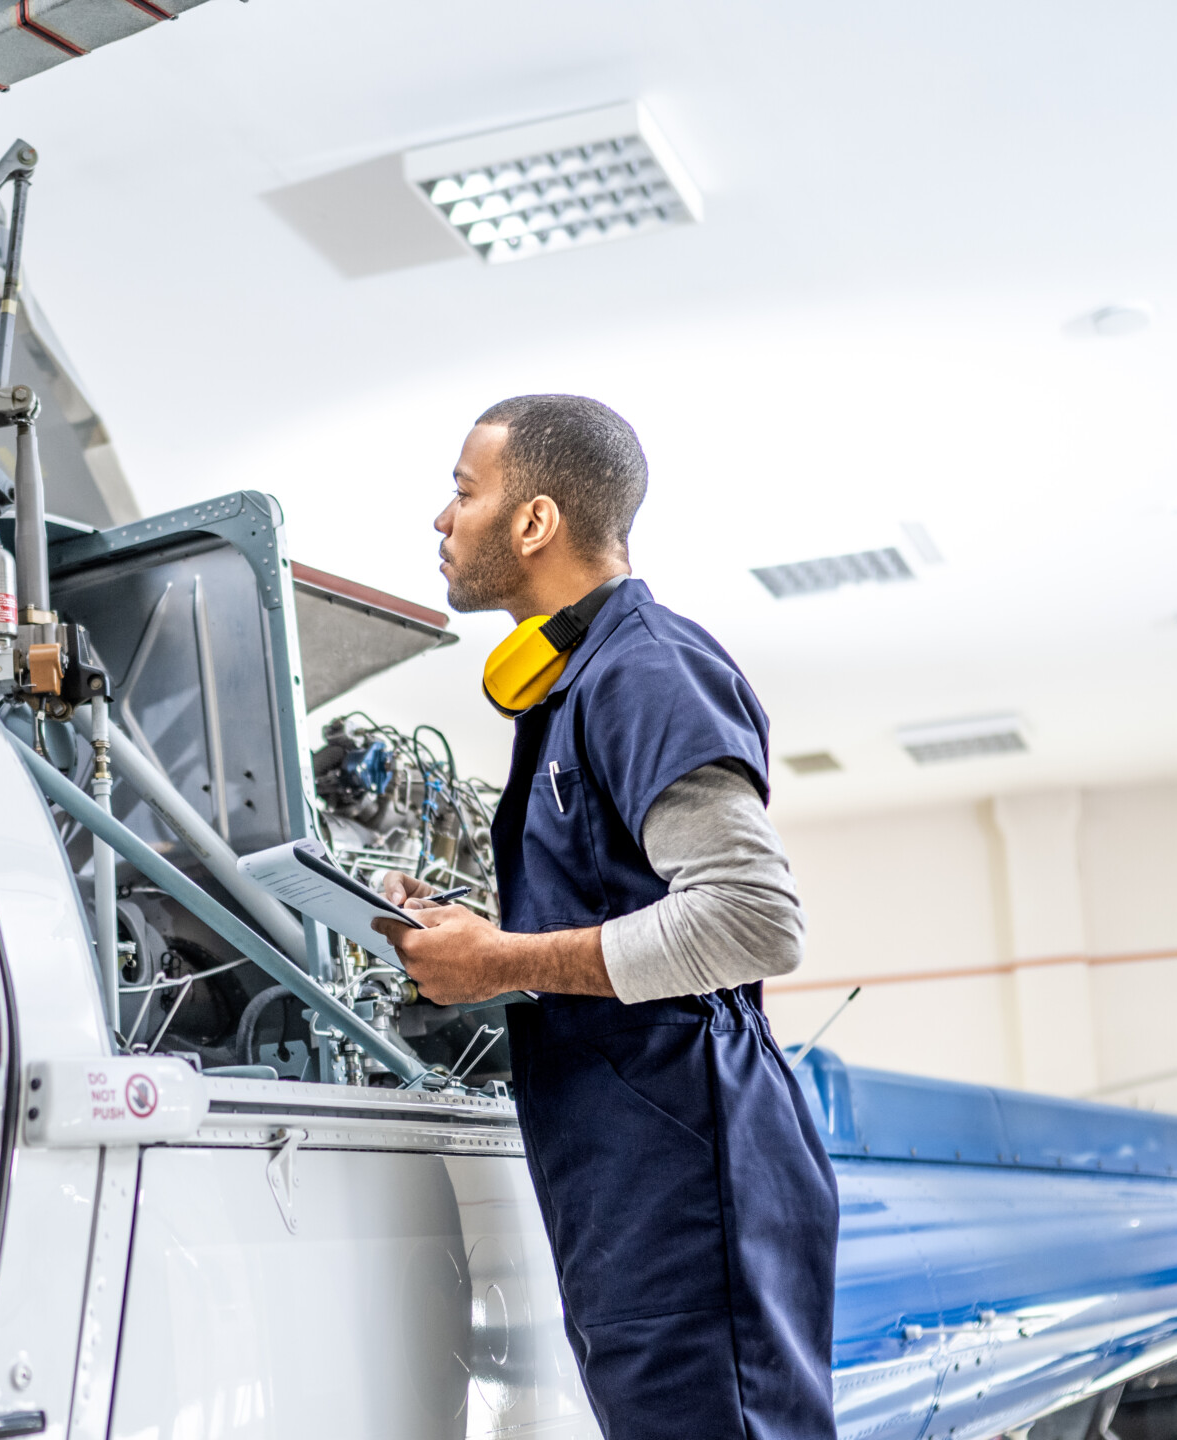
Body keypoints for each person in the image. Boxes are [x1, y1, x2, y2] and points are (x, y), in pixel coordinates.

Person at [375, 395, 838, 1440]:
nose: (440, 522)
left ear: (534, 522)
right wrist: (478, 932)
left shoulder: (644, 671)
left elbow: (756, 920)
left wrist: (500, 960)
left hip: (687, 1167)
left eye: (463, 492)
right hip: (631, 1168)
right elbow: (610, 898)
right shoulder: (576, 687)